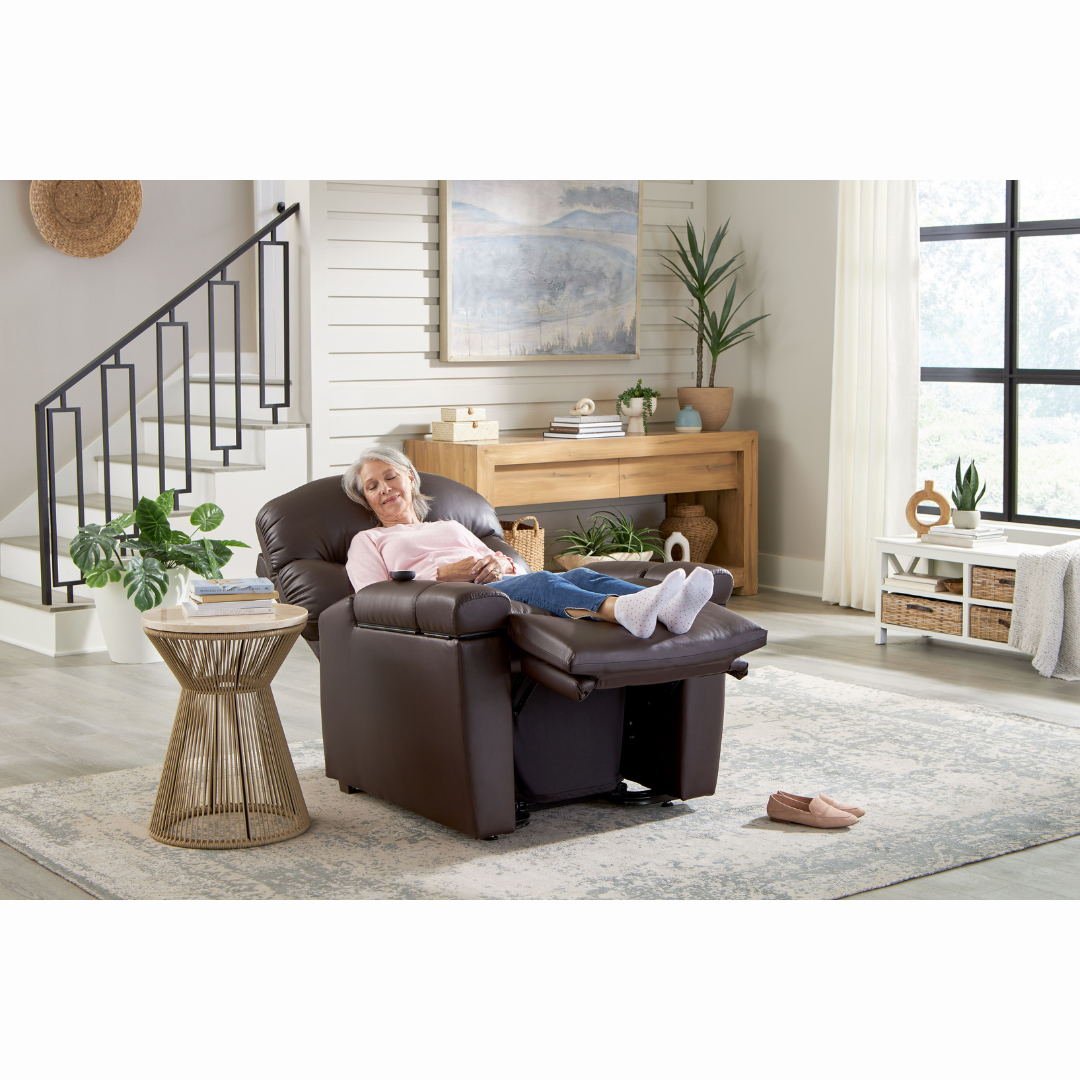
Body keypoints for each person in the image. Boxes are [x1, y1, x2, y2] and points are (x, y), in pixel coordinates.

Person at [342, 446, 715, 639]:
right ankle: (622, 610)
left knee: (581, 576)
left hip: (497, 585)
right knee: (544, 580)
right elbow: (373, 598)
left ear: (409, 477)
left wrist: (499, 565)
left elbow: (511, 564)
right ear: (366, 499)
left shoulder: (450, 526)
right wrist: (442, 575)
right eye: (373, 486)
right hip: (449, 600)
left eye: (390, 477)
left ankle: (668, 609)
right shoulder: (369, 540)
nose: (385, 489)